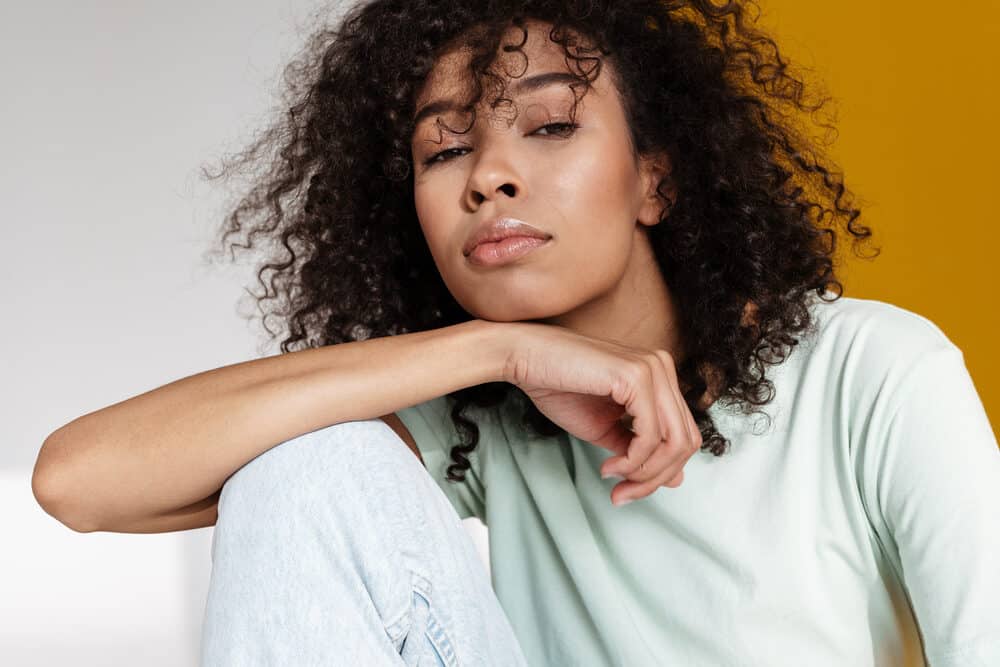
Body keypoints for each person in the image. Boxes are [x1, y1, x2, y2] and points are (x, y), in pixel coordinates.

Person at [31, 0, 1000, 665]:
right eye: (444, 149)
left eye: (546, 126)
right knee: (307, 461)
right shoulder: (487, 416)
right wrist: (495, 349)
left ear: (654, 179)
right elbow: (78, 479)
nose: (485, 177)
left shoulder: (873, 377)